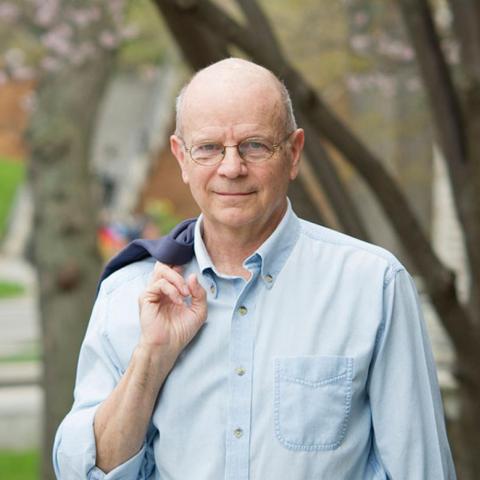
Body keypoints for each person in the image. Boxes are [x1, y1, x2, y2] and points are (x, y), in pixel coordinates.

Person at [53, 58, 456, 479]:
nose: (231, 168)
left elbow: (420, 469)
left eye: (255, 145)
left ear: (294, 153)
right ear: (181, 157)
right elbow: (82, 472)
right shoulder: (128, 292)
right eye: (208, 148)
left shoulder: (372, 286)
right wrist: (150, 358)